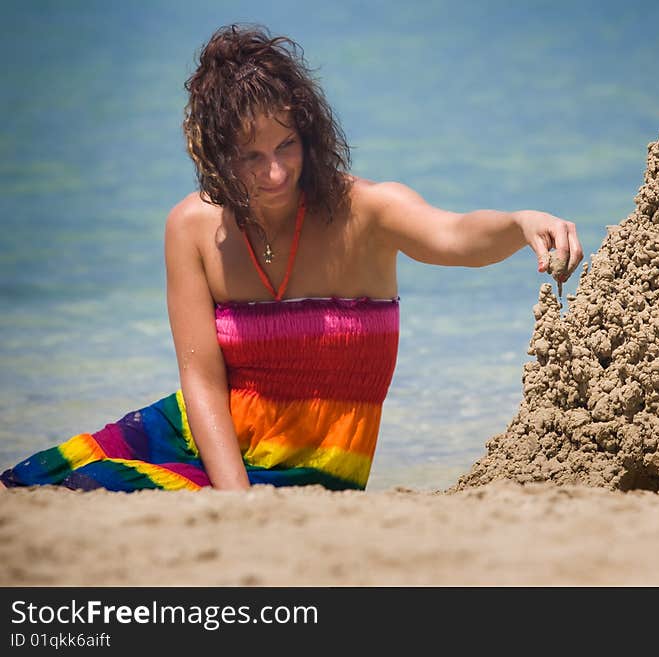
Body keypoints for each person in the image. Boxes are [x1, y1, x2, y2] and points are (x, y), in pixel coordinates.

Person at [0, 24, 582, 492]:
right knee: (39, 484)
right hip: (199, 440)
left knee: (94, 490)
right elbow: (201, 383)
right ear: (214, 154)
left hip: (312, 469)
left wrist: (520, 223)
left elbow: (455, 236)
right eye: (251, 157)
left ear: (309, 135)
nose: (275, 172)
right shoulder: (192, 227)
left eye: (286, 146)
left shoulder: (366, 211)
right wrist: (237, 504)